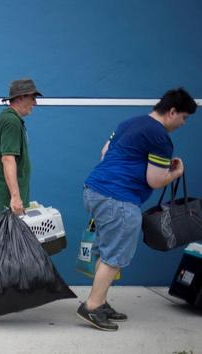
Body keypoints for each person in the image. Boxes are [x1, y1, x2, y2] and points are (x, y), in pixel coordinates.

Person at [77, 88, 197, 331]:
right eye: (184, 117)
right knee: (115, 256)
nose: (184, 123)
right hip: (119, 198)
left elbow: (104, 153)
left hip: (95, 189)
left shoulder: (130, 123)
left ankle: (99, 302)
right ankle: (91, 307)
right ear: (172, 111)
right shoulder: (160, 136)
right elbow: (154, 180)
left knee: (107, 252)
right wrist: (175, 173)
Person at [0, 78, 42, 249]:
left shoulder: (12, 120)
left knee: (5, 252)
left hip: (3, 198)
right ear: (21, 97)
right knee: (1, 252)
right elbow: (7, 158)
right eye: (32, 98)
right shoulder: (11, 122)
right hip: (3, 199)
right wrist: (15, 196)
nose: (35, 103)